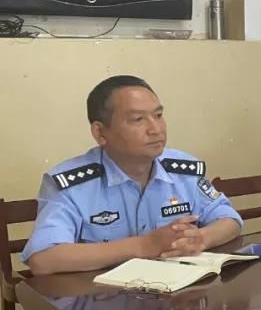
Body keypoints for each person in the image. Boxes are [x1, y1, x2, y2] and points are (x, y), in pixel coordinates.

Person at [23, 76, 243, 276]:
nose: (156, 129)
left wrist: (201, 239)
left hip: (175, 296)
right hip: (101, 301)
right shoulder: (70, 184)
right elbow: (43, 259)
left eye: (158, 115)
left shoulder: (183, 170)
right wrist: (144, 246)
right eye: (138, 119)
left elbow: (229, 219)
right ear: (100, 132)